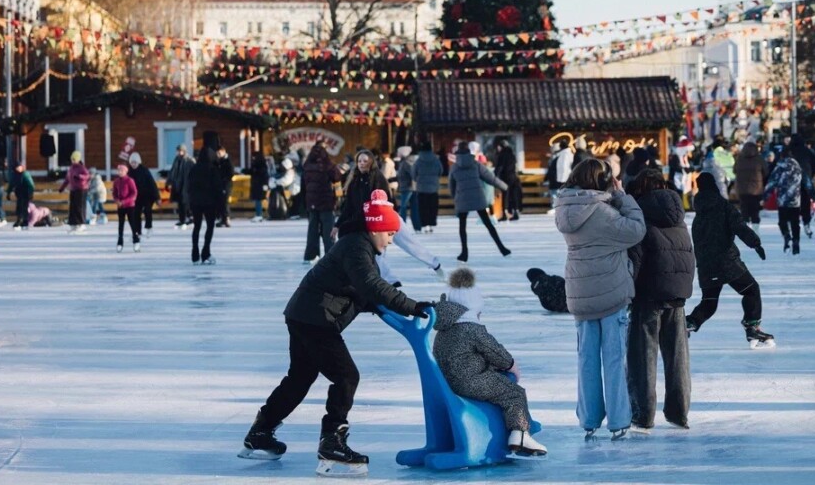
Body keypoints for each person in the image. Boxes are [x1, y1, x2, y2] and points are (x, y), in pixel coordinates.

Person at [238, 191, 431, 477]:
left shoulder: (357, 246)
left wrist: (386, 307)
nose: (391, 240)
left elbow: (360, 292)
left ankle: (260, 433)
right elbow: (370, 285)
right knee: (346, 376)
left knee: (300, 378)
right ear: (377, 229)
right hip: (316, 319)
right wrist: (412, 306)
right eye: (389, 233)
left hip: (303, 315)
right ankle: (332, 443)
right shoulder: (356, 248)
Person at [555, 158, 645, 441]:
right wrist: (622, 196)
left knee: (587, 359)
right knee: (614, 358)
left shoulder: (564, 209)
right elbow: (636, 229)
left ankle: (590, 418)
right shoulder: (602, 213)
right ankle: (618, 419)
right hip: (610, 291)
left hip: (580, 292)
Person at [432, 267, 546, 456]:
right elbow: (495, 352)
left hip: (449, 382)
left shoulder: (444, 330)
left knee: (501, 383)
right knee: (514, 393)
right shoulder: (471, 328)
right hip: (470, 382)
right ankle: (521, 434)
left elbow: (464, 355)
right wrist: (511, 365)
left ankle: (521, 426)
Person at [625, 168, 694, 434]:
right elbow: (688, 254)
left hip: (648, 295)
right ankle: (679, 413)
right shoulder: (678, 216)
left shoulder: (641, 215)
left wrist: (628, 292)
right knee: (677, 358)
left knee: (643, 357)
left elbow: (636, 259)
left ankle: (643, 415)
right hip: (677, 294)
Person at [686, 172, 772, 347]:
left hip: (706, 266)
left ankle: (688, 324)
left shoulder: (699, 216)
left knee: (709, 303)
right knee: (751, 290)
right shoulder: (723, 206)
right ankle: (752, 325)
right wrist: (755, 243)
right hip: (728, 262)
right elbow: (739, 226)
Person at [449, 141, 510, 262]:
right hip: (478, 197)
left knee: (462, 226)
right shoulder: (476, 164)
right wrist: (504, 186)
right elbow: (490, 178)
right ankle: (502, 248)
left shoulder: (454, 167)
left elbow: (451, 186)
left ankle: (464, 252)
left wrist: (455, 198)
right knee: (488, 224)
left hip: (462, 198)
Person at [301, 142, 342, 262]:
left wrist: (305, 203)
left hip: (311, 202)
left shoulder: (307, 166)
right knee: (328, 230)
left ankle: (311, 255)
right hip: (326, 202)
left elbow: (303, 186)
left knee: (312, 229)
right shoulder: (328, 165)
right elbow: (337, 177)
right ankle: (331, 255)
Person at [335, 149, 391, 239]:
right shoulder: (354, 181)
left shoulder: (377, 178)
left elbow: (385, 204)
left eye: (365, 161)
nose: (361, 163)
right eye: (359, 161)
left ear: (371, 162)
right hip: (360, 222)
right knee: (344, 231)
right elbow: (348, 206)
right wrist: (337, 225)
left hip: (378, 222)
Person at [187, 138, 224, 265]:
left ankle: (195, 253)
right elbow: (218, 189)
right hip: (210, 203)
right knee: (209, 227)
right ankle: (205, 252)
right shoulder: (213, 170)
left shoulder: (194, 169)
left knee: (196, 227)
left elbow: (189, 186)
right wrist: (221, 208)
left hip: (196, 202)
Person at [764, 149, 804, 254]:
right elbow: (806, 181)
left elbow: (772, 181)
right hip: (795, 200)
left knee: (782, 221)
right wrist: (812, 194)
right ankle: (796, 241)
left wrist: (765, 196)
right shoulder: (797, 166)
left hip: (783, 199)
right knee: (795, 223)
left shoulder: (780, 166)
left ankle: (786, 235)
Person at [734, 140, 769, 234]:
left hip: (742, 190)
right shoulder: (759, 159)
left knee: (744, 210)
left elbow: (735, 170)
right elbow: (766, 172)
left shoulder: (740, 159)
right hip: (756, 190)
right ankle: (756, 231)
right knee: (755, 211)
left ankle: (746, 231)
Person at [788, 134, 815, 236]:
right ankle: (806, 223)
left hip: (791, 181)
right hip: (805, 179)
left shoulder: (788, 151)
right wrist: (810, 174)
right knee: (805, 202)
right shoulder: (807, 151)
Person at [412, 141, 442, 233]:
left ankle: (424, 224)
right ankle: (431, 224)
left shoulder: (418, 160)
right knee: (432, 207)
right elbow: (440, 170)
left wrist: (418, 179)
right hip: (433, 187)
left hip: (421, 187)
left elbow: (413, 174)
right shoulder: (436, 159)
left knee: (423, 208)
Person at [128, 152, 159, 237]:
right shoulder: (129, 173)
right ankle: (138, 231)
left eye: (135, 162)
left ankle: (149, 227)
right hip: (136, 197)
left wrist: (157, 197)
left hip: (147, 195)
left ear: (138, 162)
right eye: (132, 163)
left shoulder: (145, 171)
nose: (133, 164)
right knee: (136, 213)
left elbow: (152, 184)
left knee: (147, 210)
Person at [112, 163, 140, 253]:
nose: (120, 172)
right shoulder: (116, 181)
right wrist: (117, 200)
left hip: (129, 206)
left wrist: (124, 201)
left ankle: (136, 240)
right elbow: (114, 193)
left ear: (125, 171)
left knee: (132, 224)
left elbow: (134, 193)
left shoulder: (129, 180)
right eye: (118, 170)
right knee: (121, 225)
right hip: (120, 206)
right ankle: (120, 242)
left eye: (121, 170)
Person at [60, 150, 91, 232]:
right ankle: (73, 223)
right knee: (73, 207)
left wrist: (79, 176)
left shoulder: (81, 168)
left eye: (74, 159)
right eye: (72, 159)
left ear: (78, 159)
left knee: (79, 207)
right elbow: (67, 178)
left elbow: (87, 176)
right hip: (73, 189)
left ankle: (81, 223)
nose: (73, 161)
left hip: (81, 189)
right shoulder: (71, 168)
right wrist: (62, 187)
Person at [167, 144, 195, 229]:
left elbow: (194, 172)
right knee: (180, 203)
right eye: (178, 150)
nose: (179, 152)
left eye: (180, 150)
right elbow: (173, 171)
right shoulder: (177, 160)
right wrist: (169, 181)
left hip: (186, 184)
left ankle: (188, 219)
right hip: (177, 184)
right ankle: (183, 219)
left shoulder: (189, 160)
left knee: (185, 203)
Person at [394, 145, 421, 231]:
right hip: (409, 188)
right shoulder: (404, 163)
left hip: (407, 188)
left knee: (403, 207)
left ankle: (402, 227)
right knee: (413, 207)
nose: (397, 154)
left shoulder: (405, 163)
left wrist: (410, 183)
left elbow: (412, 174)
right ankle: (417, 226)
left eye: (399, 153)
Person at [494, 138, 522, 221]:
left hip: (505, 178)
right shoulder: (512, 155)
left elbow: (500, 167)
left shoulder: (502, 155)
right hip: (514, 177)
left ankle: (505, 214)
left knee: (505, 196)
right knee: (514, 195)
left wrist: (495, 175)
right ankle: (515, 212)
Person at [7, 162, 34, 230]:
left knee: (24, 207)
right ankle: (20, 220)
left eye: (19, 167)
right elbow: (11, 184)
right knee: (19, 207)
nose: (18, 169)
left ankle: (24, 221)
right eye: (16, 167)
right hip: (19, 194)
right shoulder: (15, 175)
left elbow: (31, 185)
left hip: (25, 193)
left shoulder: (25, 174)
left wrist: (31, 193)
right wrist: (8, 193)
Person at [215, 146, 235, 227]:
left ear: (223, 151)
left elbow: (231, 173)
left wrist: (224, 180)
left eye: (219, 153)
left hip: (226, 184)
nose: (218, 155)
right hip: (219, 184)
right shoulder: (219, 161)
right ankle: (222, 218)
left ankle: (226, 218)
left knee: (225, 202)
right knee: (220, 202)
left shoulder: (228, 160)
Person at [250, 152, 271, 223]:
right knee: (258, 200)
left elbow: (264, 176)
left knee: (258, 200)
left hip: (259, 185)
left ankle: (259, 215)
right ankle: (259, 214)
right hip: (257, 185)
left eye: (254, 157)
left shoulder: (260, 166)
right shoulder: (257, 165)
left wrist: (265, 185)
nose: (253, 158)